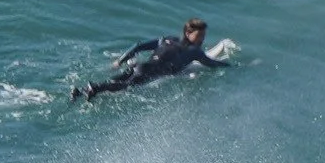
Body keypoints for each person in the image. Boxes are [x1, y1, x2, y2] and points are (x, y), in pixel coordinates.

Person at [73, 19, 228, 100]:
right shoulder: (195, 52)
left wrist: (120, 61)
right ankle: (95, 88)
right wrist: (230, 66)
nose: (202, 39)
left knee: (116, 81)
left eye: (203, 35)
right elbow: (211, 64)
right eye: (199, 35)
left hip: (140, 66)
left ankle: (80, 91)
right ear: (188, 33)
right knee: (125, 86)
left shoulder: (167, 39)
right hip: (148, 72)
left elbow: (138, 46)